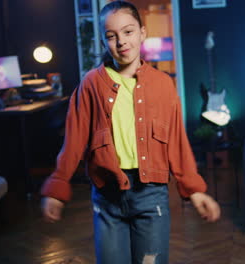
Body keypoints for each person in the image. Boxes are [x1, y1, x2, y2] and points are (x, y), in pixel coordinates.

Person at [40, 1, 220, 263]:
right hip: (107, 197)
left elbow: (176, 142)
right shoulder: (91, 84)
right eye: (111, 36)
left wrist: (194, 189)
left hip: (152, 195)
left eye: (128, 32)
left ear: (142, 33)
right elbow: (74, 140)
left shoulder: (163, 85)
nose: (121, 41)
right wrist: (57, 187)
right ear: (104, 42)